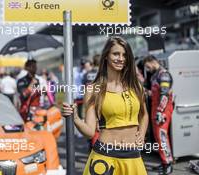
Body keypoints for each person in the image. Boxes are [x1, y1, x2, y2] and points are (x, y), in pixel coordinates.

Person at [62, 37, 149, 175]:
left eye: (125, 55)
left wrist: (142, 133)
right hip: (104, 156)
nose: (121, 58)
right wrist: (76, 118)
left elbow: (144, 115)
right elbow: (90, 132)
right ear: (106, 56)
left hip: (132, 156)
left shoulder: (136, 86)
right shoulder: (93, 89)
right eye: (116, 54)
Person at [143, 55, 173, 175]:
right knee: (158, 138)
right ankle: (164, 161)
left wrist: (160, 111)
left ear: (153, 62)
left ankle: (168, 164)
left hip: (163, 110)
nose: (147, 69)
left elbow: (165, 95)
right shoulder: (155, 75)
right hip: (155, 109)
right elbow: (154, 93)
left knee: (162, 137)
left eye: (147, 66)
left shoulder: (163, 74)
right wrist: (146, 92)